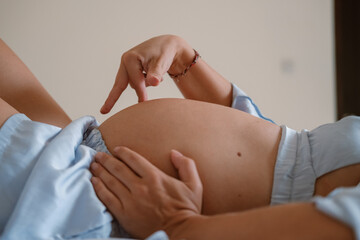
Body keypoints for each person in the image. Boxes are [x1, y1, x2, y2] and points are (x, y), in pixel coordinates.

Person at [0, 35, 358, 240]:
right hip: (97, 164)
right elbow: (282, 159)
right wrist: (185, 59)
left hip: (104, 206)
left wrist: (179, 224)